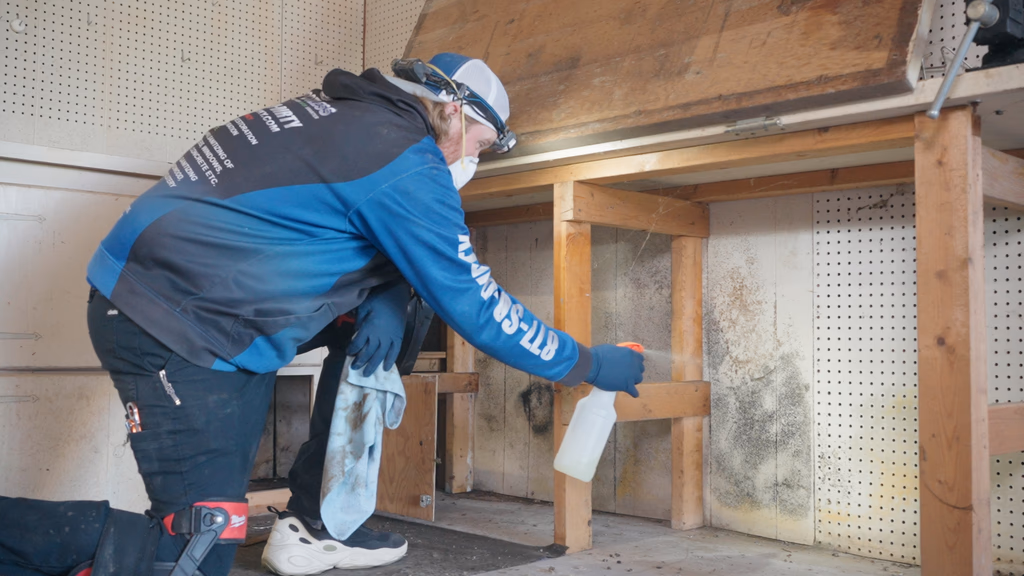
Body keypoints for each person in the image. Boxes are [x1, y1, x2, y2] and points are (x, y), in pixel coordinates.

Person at [0, 53, 645, 576]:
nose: (470, 159)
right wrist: (587, 363)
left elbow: (337, 222)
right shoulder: (407, 161)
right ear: (452, 108)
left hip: (185, 305)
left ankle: (313, 522)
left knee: (407, 303)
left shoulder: (344, 115)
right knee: (193, 550)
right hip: (179, 326)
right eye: (476, 142)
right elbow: (474, 301)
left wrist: (389, 300)